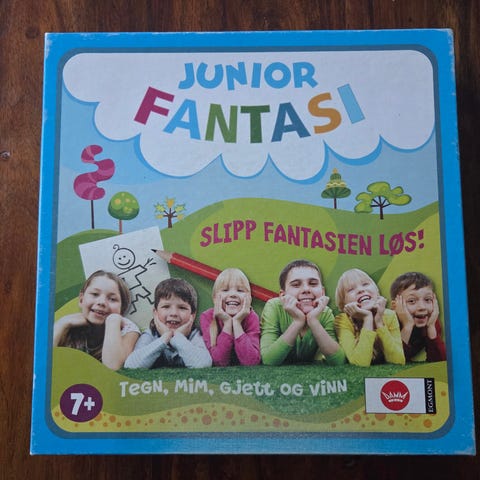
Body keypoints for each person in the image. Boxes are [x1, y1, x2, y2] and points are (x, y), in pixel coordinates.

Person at [260, 259, 345, 366]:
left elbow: (338, 361)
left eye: (313, 284)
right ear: (283, 295)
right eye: (296, 285)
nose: (306, 289)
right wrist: (298, 322)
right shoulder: (274, 307)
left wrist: (313, 321)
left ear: (322, 292)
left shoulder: (325, 313)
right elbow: (269, 360)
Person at [53, 270, 140, 370]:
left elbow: (113, 367)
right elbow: (43, 360)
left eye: (112, 299)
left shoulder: (128, 329)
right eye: (95, 294)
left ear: (122, 308)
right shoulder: (69, 323)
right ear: (81, 300)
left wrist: (113, 321)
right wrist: (62, 323)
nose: (102, 302)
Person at [124, 278, 211, 368]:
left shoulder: (195, 334)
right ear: (155, 313)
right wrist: (165, 338)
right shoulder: (151, 334)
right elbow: (131, 365)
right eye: (166, 306)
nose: (174, 313)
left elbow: (203, 364)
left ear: (192, 315)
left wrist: (178, 338)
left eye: (182, 308)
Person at [334, 268, 405, 367]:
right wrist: (368, 318)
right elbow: (360, 363)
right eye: (351, 289)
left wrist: (379, 322)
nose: (360, 290)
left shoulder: (389, 315)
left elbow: (398, 361)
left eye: (365, 284)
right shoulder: (342, 320)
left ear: (376, 291)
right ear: (344, 304)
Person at [200, 268, 260, 366]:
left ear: (249, 299)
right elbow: (219, 362)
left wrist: (237, 322)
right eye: (225, 290)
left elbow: (251, 361)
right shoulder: (207, 317)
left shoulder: (252, 317)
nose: (233, 294)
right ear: (215, 298)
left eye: (240, 290)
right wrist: (227, 324)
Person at [390, 272, 446, 362]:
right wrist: (407, 326)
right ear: (395, 305)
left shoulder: (431, 321)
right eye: (412, 301)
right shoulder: (389, 322)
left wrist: (431, 327)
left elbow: (440, 360)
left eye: (427, 299)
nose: (422, 307)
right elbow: (393, 360)